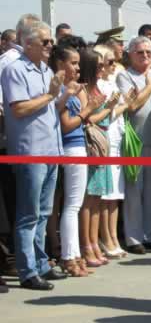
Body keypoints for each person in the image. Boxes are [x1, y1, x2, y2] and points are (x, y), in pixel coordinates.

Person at [0, 19, 71, 290]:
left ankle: (41, 264)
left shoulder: (45, 69)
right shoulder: (15, 69)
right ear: (28, 43)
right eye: (45, 41)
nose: (50, 46)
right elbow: (18, 109)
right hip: (30, 151)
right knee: (28, 214)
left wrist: (64, 94)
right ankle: (27, 270)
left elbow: (50, 107)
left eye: (51, 41)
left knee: (43, 212)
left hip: (51, 148)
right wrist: (51, 95)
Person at [50, 45, 103, 277]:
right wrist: (87, 110)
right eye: (73, 63)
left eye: (78, 63)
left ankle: (73, 255)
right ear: (60, 64)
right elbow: (66, 125)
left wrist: (87, 106)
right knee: (72, 206)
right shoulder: (60, 89)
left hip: (77, 146)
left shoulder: (71, 88)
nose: (77, 68)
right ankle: (69, 256)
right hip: (70, 148)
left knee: (73, 205)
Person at [117, 36, 151, 255]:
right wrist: (150, 86)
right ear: (130, 54)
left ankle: (150, 235)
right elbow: (132, 105)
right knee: (134, 191)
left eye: (148, 52)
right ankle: (134, 237)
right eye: (140, 52)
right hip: (134, 141)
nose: (145, 56)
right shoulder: (125, 76)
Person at [94, 45, 135, 259]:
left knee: (116, 195)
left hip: (117, 139)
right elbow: (107, 114)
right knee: (106, 195)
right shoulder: (98, 85)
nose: (113, 65)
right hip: (105, 139)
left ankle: (113, 237)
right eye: (109, 62)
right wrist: (125, 105)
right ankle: (105, 237)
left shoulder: (111, 82)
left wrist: (124, 103)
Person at [79, 49, 119, 267]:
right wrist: (108, 108)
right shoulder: (84, 89)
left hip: (102, 141)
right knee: (89, 199)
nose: (103, 68)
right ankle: (86, 245)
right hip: (92, 144)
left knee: (97, 198)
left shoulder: (97, 87)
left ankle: (94, 242)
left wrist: (113, 106)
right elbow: (89, 119)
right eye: (99, 65)